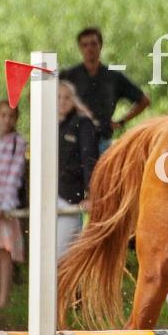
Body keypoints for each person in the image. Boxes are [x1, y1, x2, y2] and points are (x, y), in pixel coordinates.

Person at [60, 28, 150, 155]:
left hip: (102, 141)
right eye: (85, 45)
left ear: (100, 45)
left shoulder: (113, 77)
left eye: (93, 44)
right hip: (74, 142)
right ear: (80, 48)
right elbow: (43, 99)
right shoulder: (69, 76)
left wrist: (121, 122)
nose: (89, 49)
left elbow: (144, 100)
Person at [56, 81, 100, 261]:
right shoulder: (48, 124)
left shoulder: (83, 124)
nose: (62, 101)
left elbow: (89, 160)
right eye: (58, 97)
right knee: (47, 252)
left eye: (67, 97)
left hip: (70, 198)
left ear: (74, 100)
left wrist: (91, 194)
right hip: (48, 197)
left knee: (60, 254)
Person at [0, 101, 28, 310]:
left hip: (5, 206)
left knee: (4, 252)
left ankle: (3, 301)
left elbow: (14, 177)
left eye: (11, 116)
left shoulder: (18, 142)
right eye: (3, 115)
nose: (7, 120)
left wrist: (4, 206)